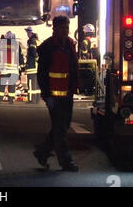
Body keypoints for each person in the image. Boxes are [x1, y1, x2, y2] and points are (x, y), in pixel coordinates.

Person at [33, 15, 79, 172]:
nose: (66, 30)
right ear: (55, 28)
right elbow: (42, 74)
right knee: (60, 129)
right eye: (63, 28)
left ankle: (42, 151)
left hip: (67, 94)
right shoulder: (48, 47)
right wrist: (47, 95)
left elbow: (72, 69)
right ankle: (66, 161)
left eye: (67, 27)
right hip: (54, 96)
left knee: (63, 126)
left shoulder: (70, 45)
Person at [0, 31, 24, 104]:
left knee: (2, 85)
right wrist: (22, 66)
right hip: (14, 69)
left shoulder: (2, 44)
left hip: (4, 69)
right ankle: (11, 100)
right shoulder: (17, 44)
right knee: (12, 85)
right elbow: (20, 56)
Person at [25, 27, 41, 104]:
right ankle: (37, 99)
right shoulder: (37, 41)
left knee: (31, 83)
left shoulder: (31, 41)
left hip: (32, 66)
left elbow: (33, 51)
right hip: (37, 67)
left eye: (28, 32)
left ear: (32, 33)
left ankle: (31, 100)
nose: (27, 34)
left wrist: (36, 58)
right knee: (37, 84)